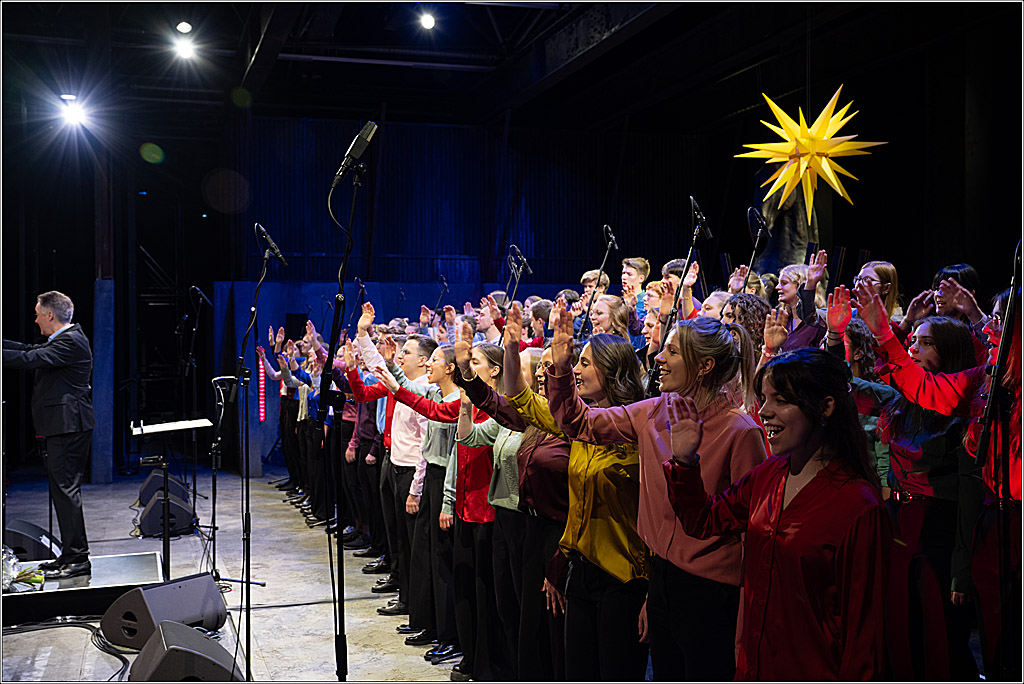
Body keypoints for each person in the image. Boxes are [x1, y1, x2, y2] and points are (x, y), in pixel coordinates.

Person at [546, 313, 765, 680]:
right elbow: (579, 423)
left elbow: (753, 534)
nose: (658, 358)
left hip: (711, 595)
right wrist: (562, 369)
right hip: (663, 580)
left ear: (705, 365)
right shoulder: (653, 412)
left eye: (672, 352)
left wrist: (747, 621)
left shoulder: (740, 432)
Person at [663, 348, 892, 680]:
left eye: (781, 400)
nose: (765, 411)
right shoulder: (769, 474)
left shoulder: (859, 507)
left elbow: (865, 635)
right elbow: (704, 521)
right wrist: (684, 462)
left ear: (826, 407)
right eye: (765, 399)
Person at [856, 281, 1021, 681]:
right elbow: (922, 388)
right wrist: (881, 333)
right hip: (994, 525)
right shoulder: (985, 382)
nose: (987, 329)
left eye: (998, 321)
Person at [825, 287, 982, 678]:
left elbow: (968, 498)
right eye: (912, 340)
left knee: (940, 639)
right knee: (898, 633)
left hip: (938, 531)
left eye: (926, 343)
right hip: (895, 524)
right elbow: (835, 390)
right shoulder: (896, 400)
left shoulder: (963, 414)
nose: (913, 348)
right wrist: (833, 336)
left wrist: (962, 569)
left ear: (950, 352)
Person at [510, 299, 649, 681]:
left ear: (613, 370)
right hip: (581, 570)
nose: (578, 370)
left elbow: (656, 516)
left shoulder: (641, 428)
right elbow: (519, 404)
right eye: (579, 361)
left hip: (625, 578)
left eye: (585, 363)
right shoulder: (582, 426)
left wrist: (655, 593)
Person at [4, 291, 95, 579]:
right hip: (62, 426)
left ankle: (78, 558)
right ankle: (69, 555)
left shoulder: (70, 342)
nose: (35, 319)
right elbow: (29, 348)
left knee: (66, 491)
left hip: (69, 426)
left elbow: (30, 358)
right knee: (62, 491)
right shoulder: (65, 340)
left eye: (37, 314)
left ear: (49, 315)